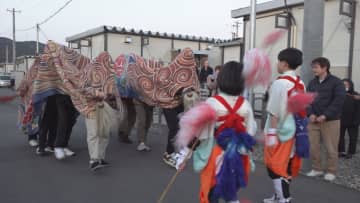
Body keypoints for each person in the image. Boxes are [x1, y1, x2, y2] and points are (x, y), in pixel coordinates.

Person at [178, 61, 257, 203]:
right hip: (238, 154)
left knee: (211, 193)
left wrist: (184, 156)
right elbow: (250, 132)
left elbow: (199, 133)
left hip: (215, 154)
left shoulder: (212, 103)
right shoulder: (246, 105)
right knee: (231, 192)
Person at [263, 48, 308, 203]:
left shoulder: (280, 83)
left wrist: (271, 134)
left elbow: (274, 111)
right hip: (294, 128)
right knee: (286, 162)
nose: (277, 64)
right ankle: (279, 195)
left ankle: (284, 198)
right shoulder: (300, 82)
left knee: (274, 165)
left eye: (279, 61)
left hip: (280, 130)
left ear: (284, 63)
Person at [306, 57, 346, 181]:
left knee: (331, 147)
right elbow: (307, 100)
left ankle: (331, 171)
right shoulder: (312, 82)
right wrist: (310, 114)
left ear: (325, 68)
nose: (313, 70)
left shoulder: (336, 82)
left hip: (330, 120)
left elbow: (338, 101)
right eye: (313, 67)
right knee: (313, 146)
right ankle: (317, 168)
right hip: (313, 120)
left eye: (316, 67)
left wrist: (325, 115)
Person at [338, 79, 360, 159]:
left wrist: (357, 120)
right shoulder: (339, 94)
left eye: (347, 84)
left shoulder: (356, 95)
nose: (345, 86)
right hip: (341, 119)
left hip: (353, 120)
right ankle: (341, 151)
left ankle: (351, 152)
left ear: (350, 85)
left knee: (353, 137)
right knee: (340, 136)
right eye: (343, 84)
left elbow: (358, 109)